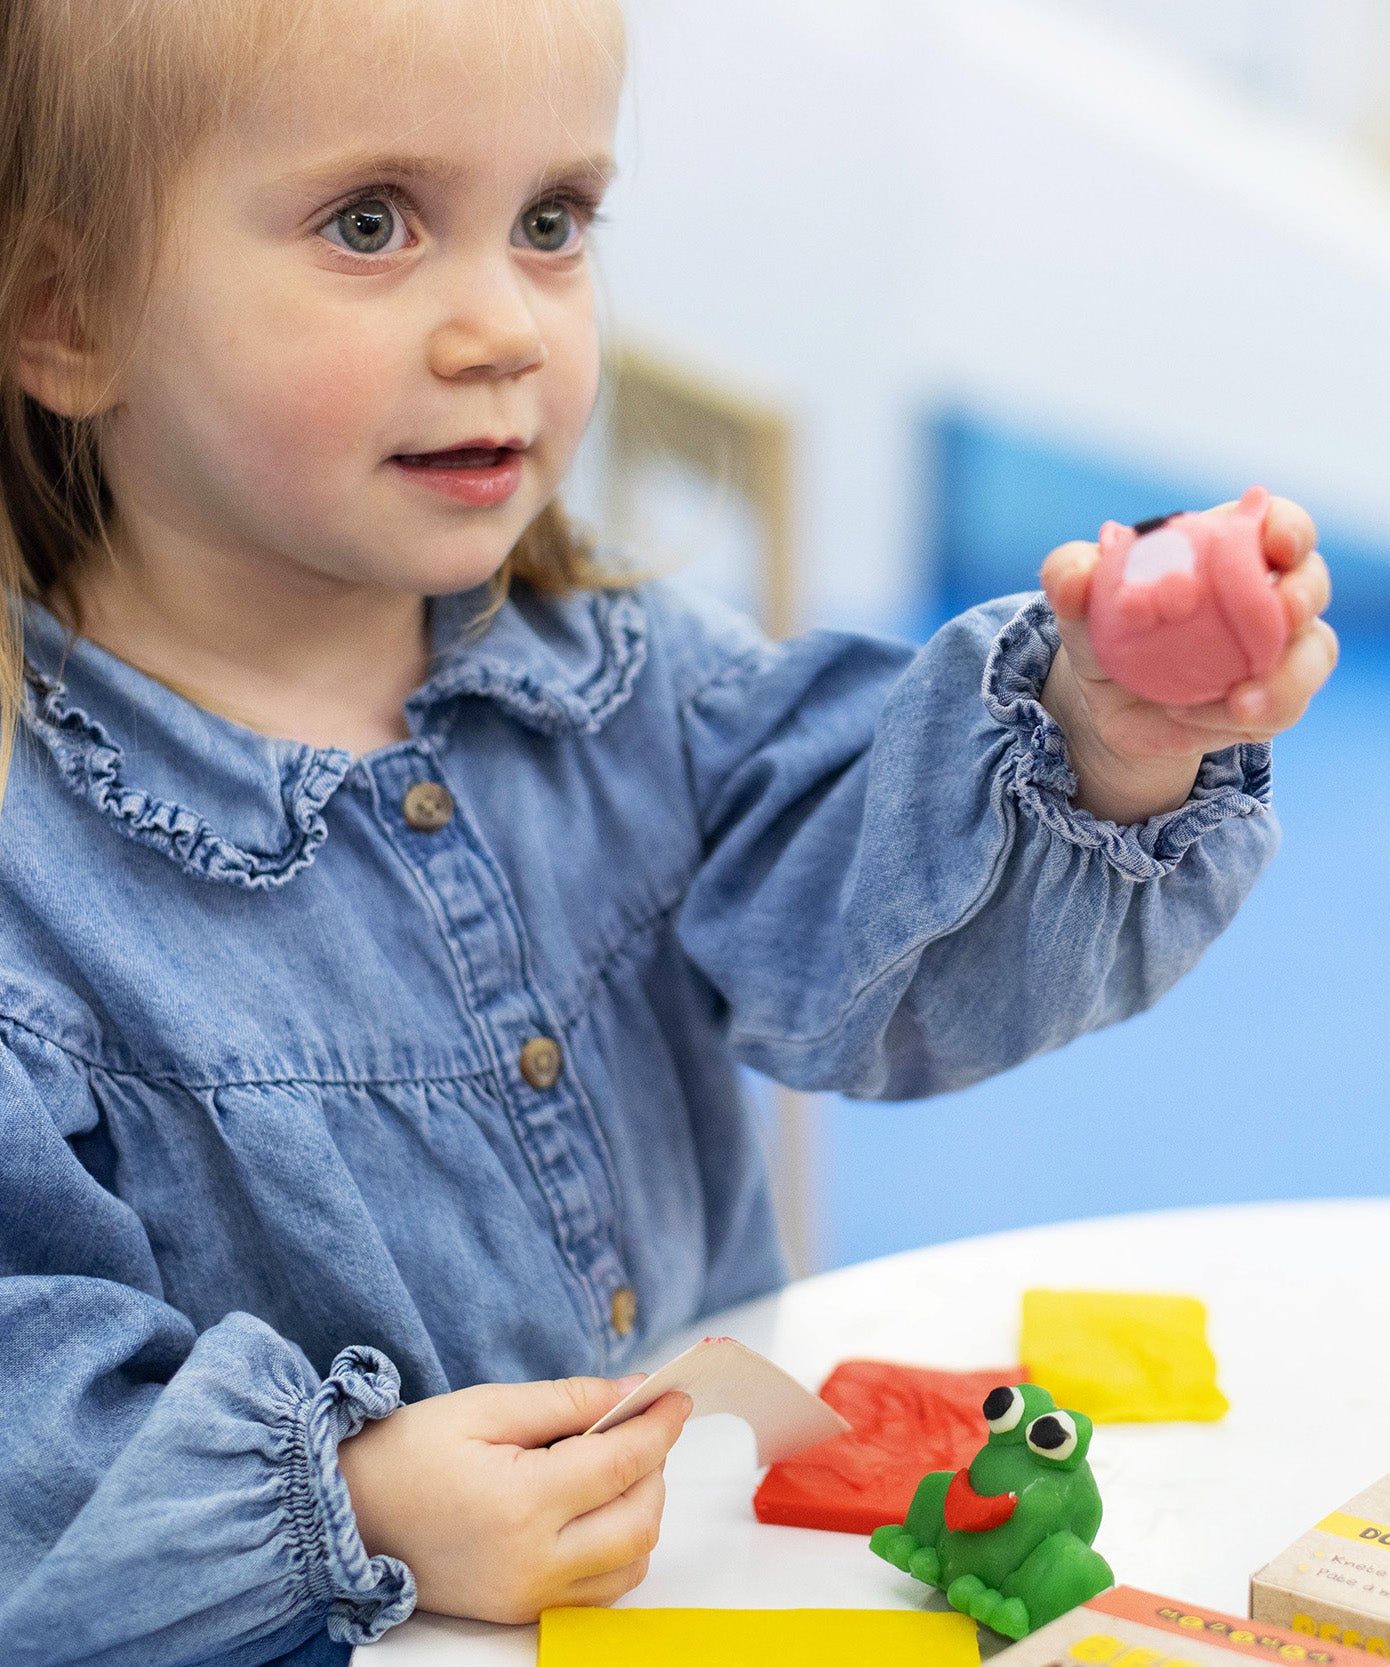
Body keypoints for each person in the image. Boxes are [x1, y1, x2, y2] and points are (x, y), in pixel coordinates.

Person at [0, 0, 1336, 1662]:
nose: (503, 326)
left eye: (551, 222)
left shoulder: (634, 683)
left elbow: (898, 973)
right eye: (369, 223)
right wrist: (347, 1502)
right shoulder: (31, 904)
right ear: (67, 316)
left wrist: (1103, 738)